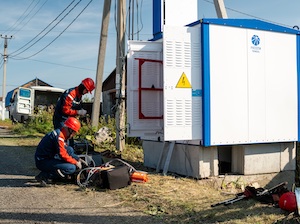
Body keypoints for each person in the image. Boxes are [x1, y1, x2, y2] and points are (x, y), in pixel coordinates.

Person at [35, 117, 86, 186]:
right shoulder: (59, 137)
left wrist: (78, 158)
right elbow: (62, 154)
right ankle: (44, 176)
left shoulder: (60, 133)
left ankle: (52, 175)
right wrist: (75, 162)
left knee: (69, 149)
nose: (73, 135)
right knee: (71, 168)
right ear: (70, 130)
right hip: (43, 161)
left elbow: (68, 151)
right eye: (74, 133)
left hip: (47, 158)